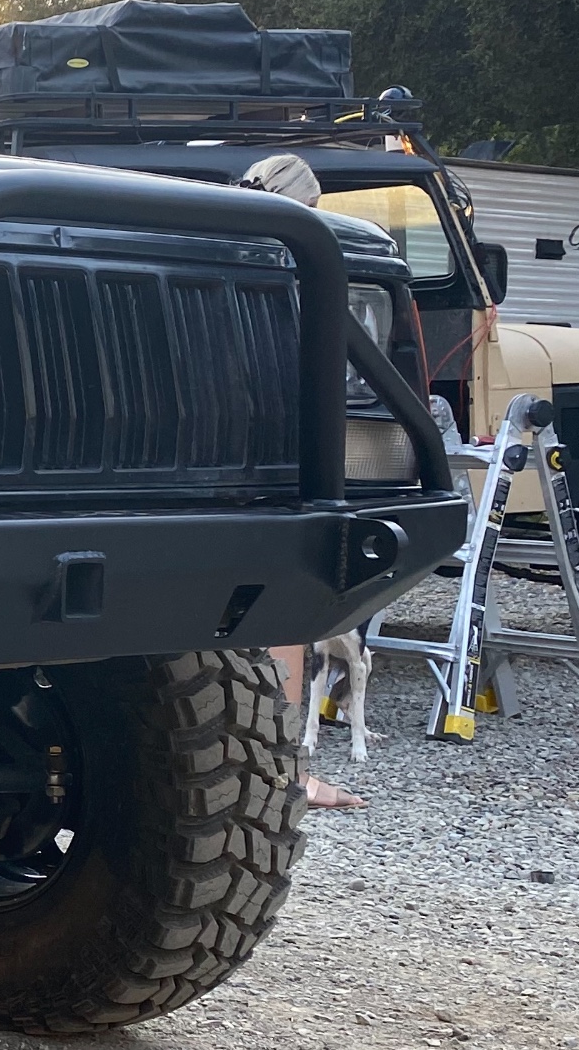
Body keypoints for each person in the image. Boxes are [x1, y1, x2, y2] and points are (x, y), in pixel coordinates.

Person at [240, 153, 367, 810]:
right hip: (271, 464)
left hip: (233, 460)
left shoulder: (223, 253)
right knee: (284, 622)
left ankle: (268, 771)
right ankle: (283, 774)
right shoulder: (290, 266)